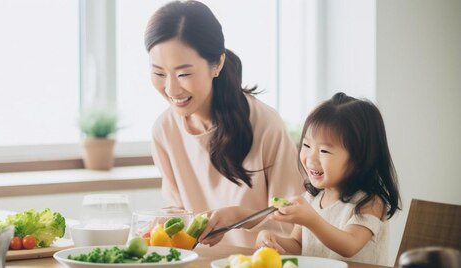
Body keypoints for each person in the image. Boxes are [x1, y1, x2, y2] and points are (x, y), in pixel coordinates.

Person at [144, 0, 305, 247]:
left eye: (184, 74)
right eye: (159, 73)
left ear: (217, 64)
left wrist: (239, 218)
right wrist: (163, 222)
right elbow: (179, 213)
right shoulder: (164, 130)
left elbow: (294, 227)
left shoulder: (265, 125)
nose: (171, 88)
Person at [255, 92, 401, 265]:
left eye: (324, 151)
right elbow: (297, 245)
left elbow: (350, 245)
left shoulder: (370, 202)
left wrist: (311, 220)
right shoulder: (311, 198)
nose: (310, 158)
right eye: (307, 145)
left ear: (359, 159)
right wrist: (271, 241)